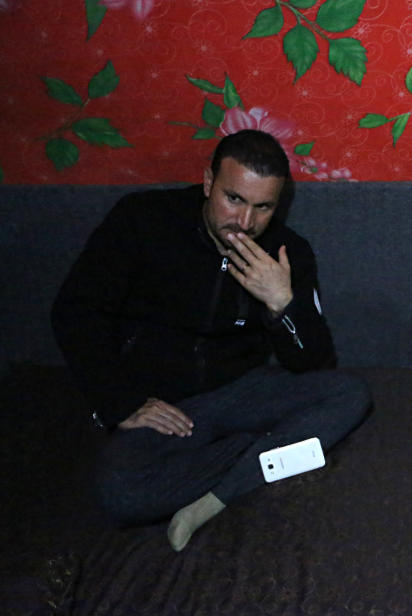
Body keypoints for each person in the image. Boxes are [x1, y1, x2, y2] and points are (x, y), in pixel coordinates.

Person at [52, 129, 371, 551]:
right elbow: (75, 312)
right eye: (233, 199)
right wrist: (122, 403)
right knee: (120, 494)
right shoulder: (143, 220)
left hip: (243, 392)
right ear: (208, 183)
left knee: (350, 395)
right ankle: (270, 455)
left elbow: (315, 363)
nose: (245, 223)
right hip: (166, 407)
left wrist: (282, 303)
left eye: (263, 207)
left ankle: (216, 497)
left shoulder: (286, 251)